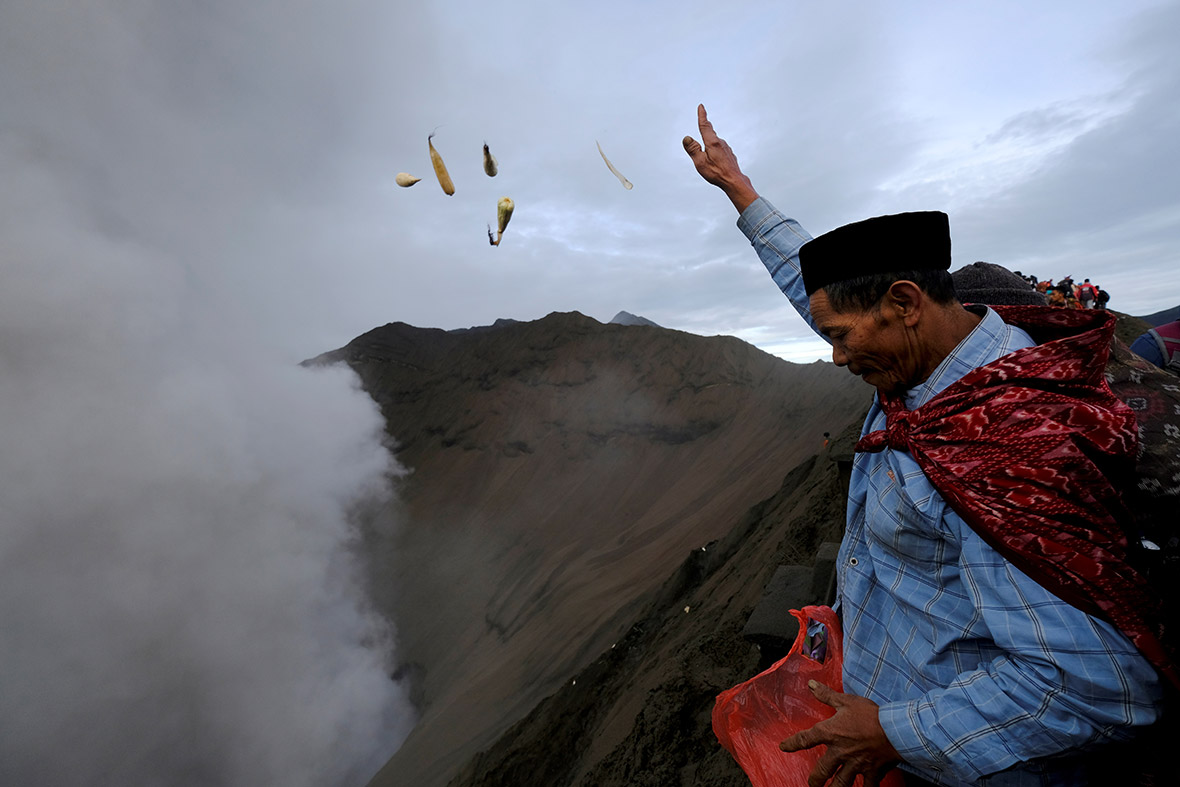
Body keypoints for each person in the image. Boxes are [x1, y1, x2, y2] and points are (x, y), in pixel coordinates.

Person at [682, 104, 1166, 786]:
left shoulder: (1007, 448)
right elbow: (817, 285)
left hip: (945, 755)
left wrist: (891, 730)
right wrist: (742, 192)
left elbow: (1097, 685)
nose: (835, 358)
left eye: (839, 338)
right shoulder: (927, 364)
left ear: (906, 303)